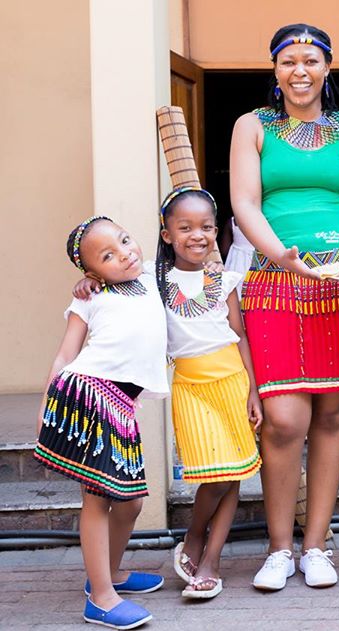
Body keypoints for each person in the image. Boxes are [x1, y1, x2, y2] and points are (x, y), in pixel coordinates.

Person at [229, 23, 339, 590]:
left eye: (311, 61)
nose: (300, 71)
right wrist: (280, 254)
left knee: (332, 416)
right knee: (283, 419)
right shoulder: (252, 126)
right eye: (288, 61)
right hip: (275, 279)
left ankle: (316, 546)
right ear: (275, 71)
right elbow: (245, 203)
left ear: (327, 67)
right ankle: (279, 548)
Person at [35, 216, 168, 629]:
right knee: (98, 497)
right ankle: (101, 598)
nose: (125, 254)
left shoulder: (152, 277)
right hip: (88, 394)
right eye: (108, 256)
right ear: (92, 273)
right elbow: (65, 355)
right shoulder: (90, 297)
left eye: (124, 241)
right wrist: (46, 405)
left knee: (131, 502)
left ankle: (108, 575)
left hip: (121, 404)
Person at [155, 187, 263, 600]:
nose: (196, 235)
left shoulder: (224, 279)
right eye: (185, 228)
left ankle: (211, 561)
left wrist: (253, 391)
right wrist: (88, 281)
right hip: (191, 387)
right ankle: (195, 535)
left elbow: (239, 335)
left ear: (216, 232)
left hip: (232, 382)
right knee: (216, 476)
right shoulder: (153, 279)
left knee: (232, 473)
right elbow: (108, 277)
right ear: (167, 235)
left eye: (205, 227)